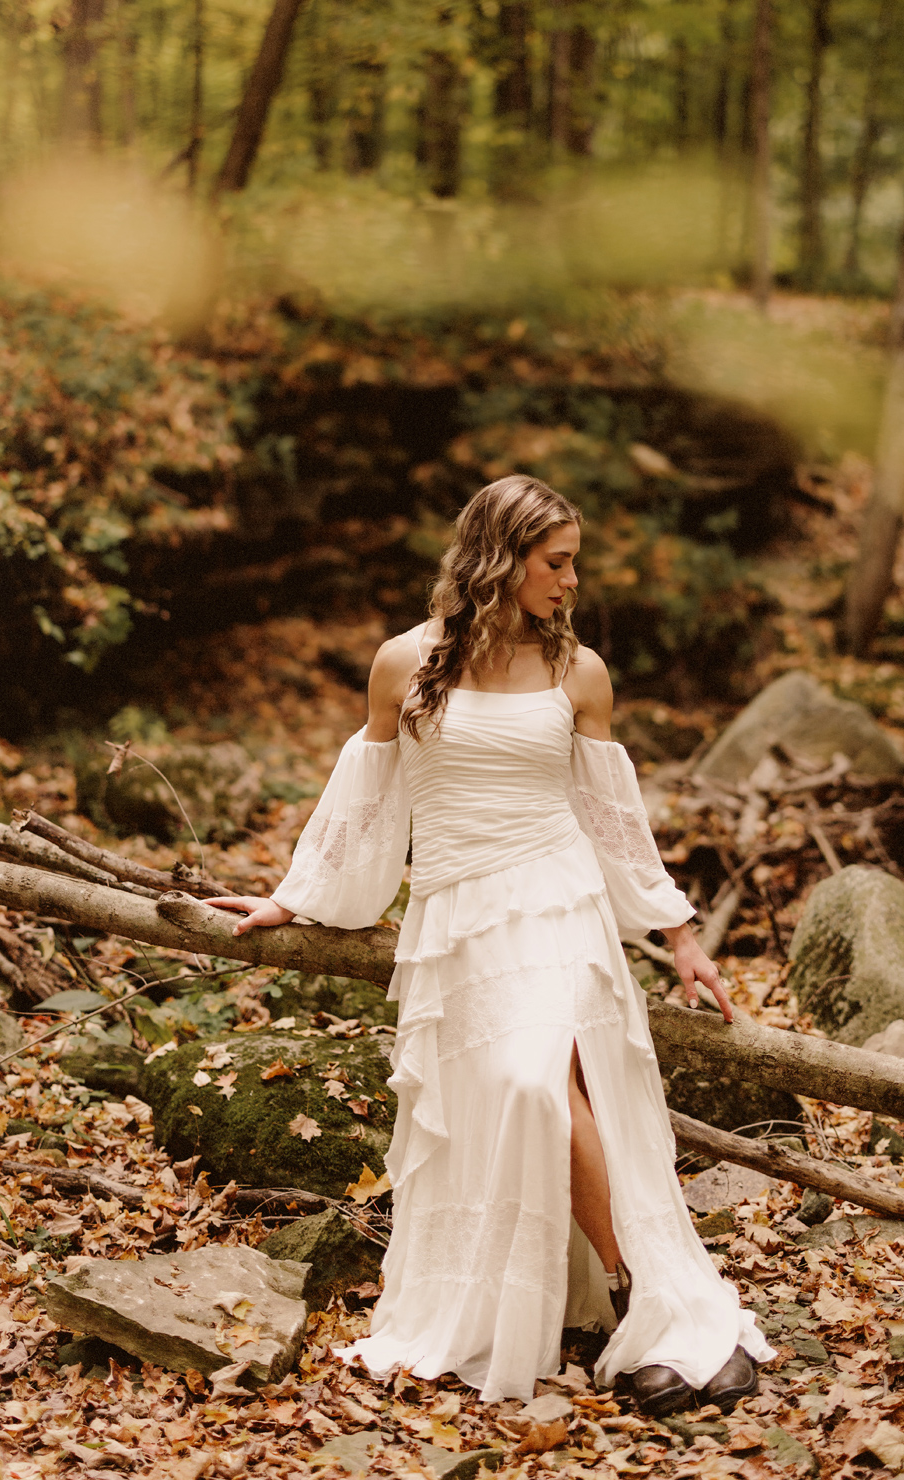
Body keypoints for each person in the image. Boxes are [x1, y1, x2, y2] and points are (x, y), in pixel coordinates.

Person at [205, 473, 771, 1414]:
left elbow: (613, 818)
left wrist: (678, 933)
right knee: (527, 1089)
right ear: (501, 562)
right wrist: (296, 898)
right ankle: (615, 1292)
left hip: (560, 903)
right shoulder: (402, 664)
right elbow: (366, 805)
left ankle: (645, 1291)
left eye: (574, 562)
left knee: (543, 1079)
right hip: (459, 915)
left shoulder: (578, 672)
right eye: (556, 562)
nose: (572, 580)